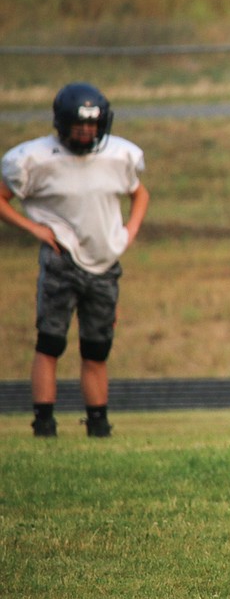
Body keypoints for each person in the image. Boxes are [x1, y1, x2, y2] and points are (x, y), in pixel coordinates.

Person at [0, 82, 150, 438]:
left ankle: (98, 423)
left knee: (96, 347)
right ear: (62, 124)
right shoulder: (33, 159)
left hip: (103, 261)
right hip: (61, 258)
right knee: (50, 341)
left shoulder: (119, 155)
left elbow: (139, 193)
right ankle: (44, 422)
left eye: (92, 124)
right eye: (79, 125)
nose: (86, 131)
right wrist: (33, 229)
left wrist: (129, 231)